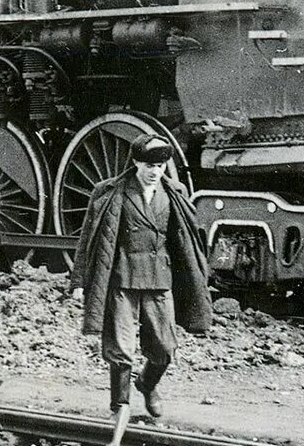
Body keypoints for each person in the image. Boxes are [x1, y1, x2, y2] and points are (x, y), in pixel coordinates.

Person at [69, 134, 213, 421]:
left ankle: (147, 385)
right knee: (120, 347)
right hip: (123, 277)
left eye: (159, 166)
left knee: (165, 347)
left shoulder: (175, 194)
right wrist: (79, 281)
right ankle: (119, 405)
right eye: (148, 165)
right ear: (135, 162)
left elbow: (185, 240)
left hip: (160, 278)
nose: (154, 172)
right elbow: (90, 238)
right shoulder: (111, 192)